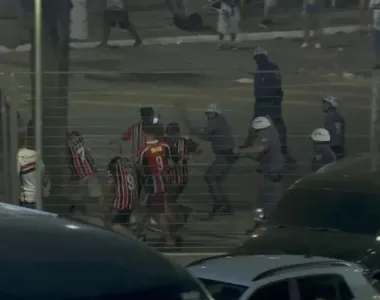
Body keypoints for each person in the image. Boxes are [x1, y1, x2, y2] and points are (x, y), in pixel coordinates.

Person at [245, 46, 296, 167]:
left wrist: (276, 100)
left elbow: (277, 86)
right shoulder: (265, 68)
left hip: (269, 102)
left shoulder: (269, 68)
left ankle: (280, 149)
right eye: (257, 57)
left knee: (276, 127)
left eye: (259, 57)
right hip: (265, 102)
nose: (258, 59)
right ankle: (250, 146)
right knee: (274, 126)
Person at [236, 116, 284, 234]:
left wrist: (242, 151)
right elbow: (260, 155)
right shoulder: (272, 131)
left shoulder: (266, 134)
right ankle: (261, 225)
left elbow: (259, 148)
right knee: (264, 201)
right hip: (271, 171)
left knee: (265, 201)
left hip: (272, 172)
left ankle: (265, 227)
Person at [136, 123, 180, 247]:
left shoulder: (144, 150)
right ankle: (138, 234)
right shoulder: (164, 145)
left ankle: (169, 239)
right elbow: (172, 163)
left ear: (145, 133)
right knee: (150, 210)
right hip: (163, 182)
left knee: (158, 213)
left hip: (152, 184)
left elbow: (139, 167)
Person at [190, 104, 236, 216]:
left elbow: (203, 133)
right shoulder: (219, 122)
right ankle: (224, 205)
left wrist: (193, 130)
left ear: (215, 113)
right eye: (208, 113)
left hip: (224, 156)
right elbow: (207, 137)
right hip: (226, 156)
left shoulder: (216, 122)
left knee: (210, 177)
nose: (209, 116)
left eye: (210, 113)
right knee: (217, 180)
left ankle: (221, 204)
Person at [104, 140, 141, 237]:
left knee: (115, 225)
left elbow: (110, 184)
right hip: (133, 200)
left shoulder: (114, 163)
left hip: (122, 201)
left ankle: (134, 240)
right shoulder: (130, 162)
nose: (110, 153)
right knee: (124, 222)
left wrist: (105, 197)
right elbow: (140, 179)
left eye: (111, 150)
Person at [67, 131, 102, 215]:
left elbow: (71, 159)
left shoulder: (67, 141)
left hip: (82, 174)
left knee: (80, 199)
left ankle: (84, 215)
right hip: (90, 168)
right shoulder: (76, 135)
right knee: (95, 196)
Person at [17, 125, 50, 209]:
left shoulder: (20, 155)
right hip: (35, 200)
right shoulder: (36, 155)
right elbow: (44, 179)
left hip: (27, 201)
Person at [369, 0, 380, 69]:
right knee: (376, 46)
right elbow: (370, 10)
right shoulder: (373, 0)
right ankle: (378, 63)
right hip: (376, 26)